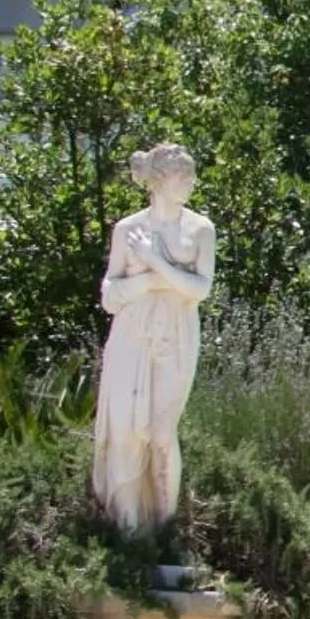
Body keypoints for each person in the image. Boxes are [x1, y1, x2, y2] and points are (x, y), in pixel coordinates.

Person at [90, 143, 215, 533]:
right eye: (184, 176)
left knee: (162, 434)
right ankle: (128, 532)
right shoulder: (127, 229)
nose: (192, 183)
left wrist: (155, 261)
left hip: (176, 334)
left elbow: (200, 289)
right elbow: (110, 296)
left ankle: (163, 532)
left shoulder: (201, 230)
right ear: (161, 181)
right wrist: (151, 281)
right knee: (126, 432)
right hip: (131, 333)